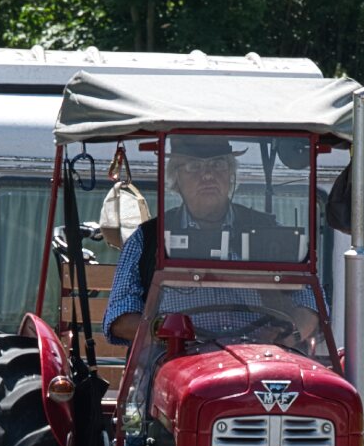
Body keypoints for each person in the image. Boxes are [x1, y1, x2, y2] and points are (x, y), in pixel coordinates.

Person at [101, 135, 321, 347]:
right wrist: (168, 333)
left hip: (257, 358)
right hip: (177, 358)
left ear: (231, 173)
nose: (207, 175)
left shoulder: (269, 231)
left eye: (218, 164)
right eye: (193, 166)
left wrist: (289, 336)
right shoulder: (148, 238)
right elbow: (118, 317)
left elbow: (313, 305)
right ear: (176, 177)